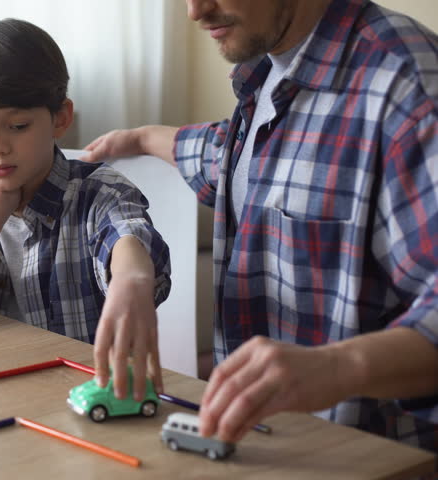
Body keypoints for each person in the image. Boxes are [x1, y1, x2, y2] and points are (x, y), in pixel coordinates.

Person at [82, 0, 438, 455]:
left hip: (374, 460)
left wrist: (341, 366)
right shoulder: (265, 77)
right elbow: (225, 159)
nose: (195, 11)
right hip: (262, 450)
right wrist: (142, 138)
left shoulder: (407, 85)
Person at [0, 18, 172, 401]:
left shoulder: (98, 192)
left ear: (61, 118)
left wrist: (132, 280)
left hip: (84, 395)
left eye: (18, 126)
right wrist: (0, 202)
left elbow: (127, 236)